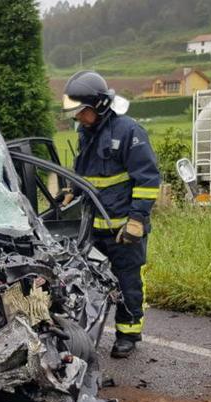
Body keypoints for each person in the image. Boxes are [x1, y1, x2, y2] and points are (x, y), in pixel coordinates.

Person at [61, 71, 161, 359]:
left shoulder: (129, 132)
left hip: (124, 229)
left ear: (100, 106)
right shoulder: (85, 134)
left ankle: (128, 334)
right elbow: (84, 173)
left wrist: (136, 221)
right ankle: (86, 333)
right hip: (93, 229)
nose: (79, 118)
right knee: (89, 281)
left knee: (127, 281)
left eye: (83, 112)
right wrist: (71, 191)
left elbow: (148, 181)